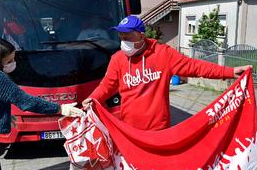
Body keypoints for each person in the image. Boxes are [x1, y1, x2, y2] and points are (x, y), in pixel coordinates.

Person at [82, 15, 250, 131]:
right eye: (121, 36)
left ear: (141, 36)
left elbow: (195, 66)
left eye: (128, 36)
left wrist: (229, 71)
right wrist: (93, 98)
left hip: (159, 130)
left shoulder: (163, 54)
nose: (123, 41)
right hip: (129, 129)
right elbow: (107, 85)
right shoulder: (117, 59)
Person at [0, 37, 85, 170]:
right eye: (8, 61)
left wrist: (5, 116)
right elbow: (26, 102)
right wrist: (61, 108)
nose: (13, 63)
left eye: (13, 59)